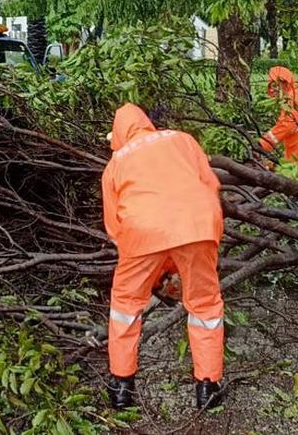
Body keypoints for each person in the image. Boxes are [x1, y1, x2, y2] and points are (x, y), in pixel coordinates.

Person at [102, 103, 226, 411]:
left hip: (141, 231)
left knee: (125, 306)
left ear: (118, 133)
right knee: (205, 304)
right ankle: (207, 388)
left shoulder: (116, 162)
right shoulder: (182, 139)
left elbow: (115, 227)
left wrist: (152, 270)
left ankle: (121, 387)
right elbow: (210, 186)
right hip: (198, 224)